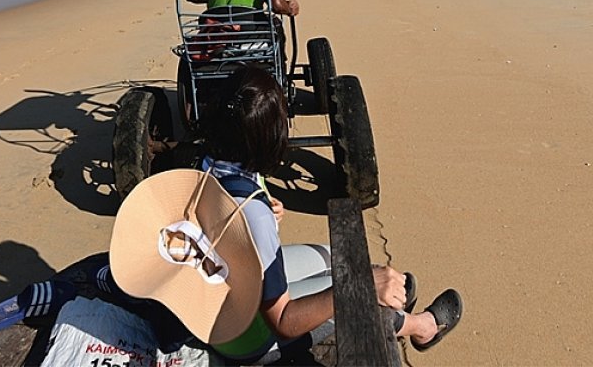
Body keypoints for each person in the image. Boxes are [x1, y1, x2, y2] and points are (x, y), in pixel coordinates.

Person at [113, 66, 464, 363]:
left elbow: (215, 218)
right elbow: (284, 320)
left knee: (328, 259)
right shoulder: (253, 216)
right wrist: (363, 284)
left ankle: (395, 299)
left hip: (213, 289)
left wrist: (254, 215)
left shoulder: (199, 163)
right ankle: (420, 327)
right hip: (240, 335)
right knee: (359, 292)